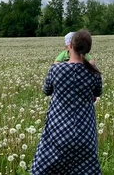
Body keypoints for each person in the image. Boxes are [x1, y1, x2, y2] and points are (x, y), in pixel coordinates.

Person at [31, 30, 103, 175]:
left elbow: (47, 90)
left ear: (70, 45)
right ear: (88, 49)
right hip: (85, 130)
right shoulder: (94, 72)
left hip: (58, 129)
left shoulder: (56, 69)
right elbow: (98, 92)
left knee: (45, 168)